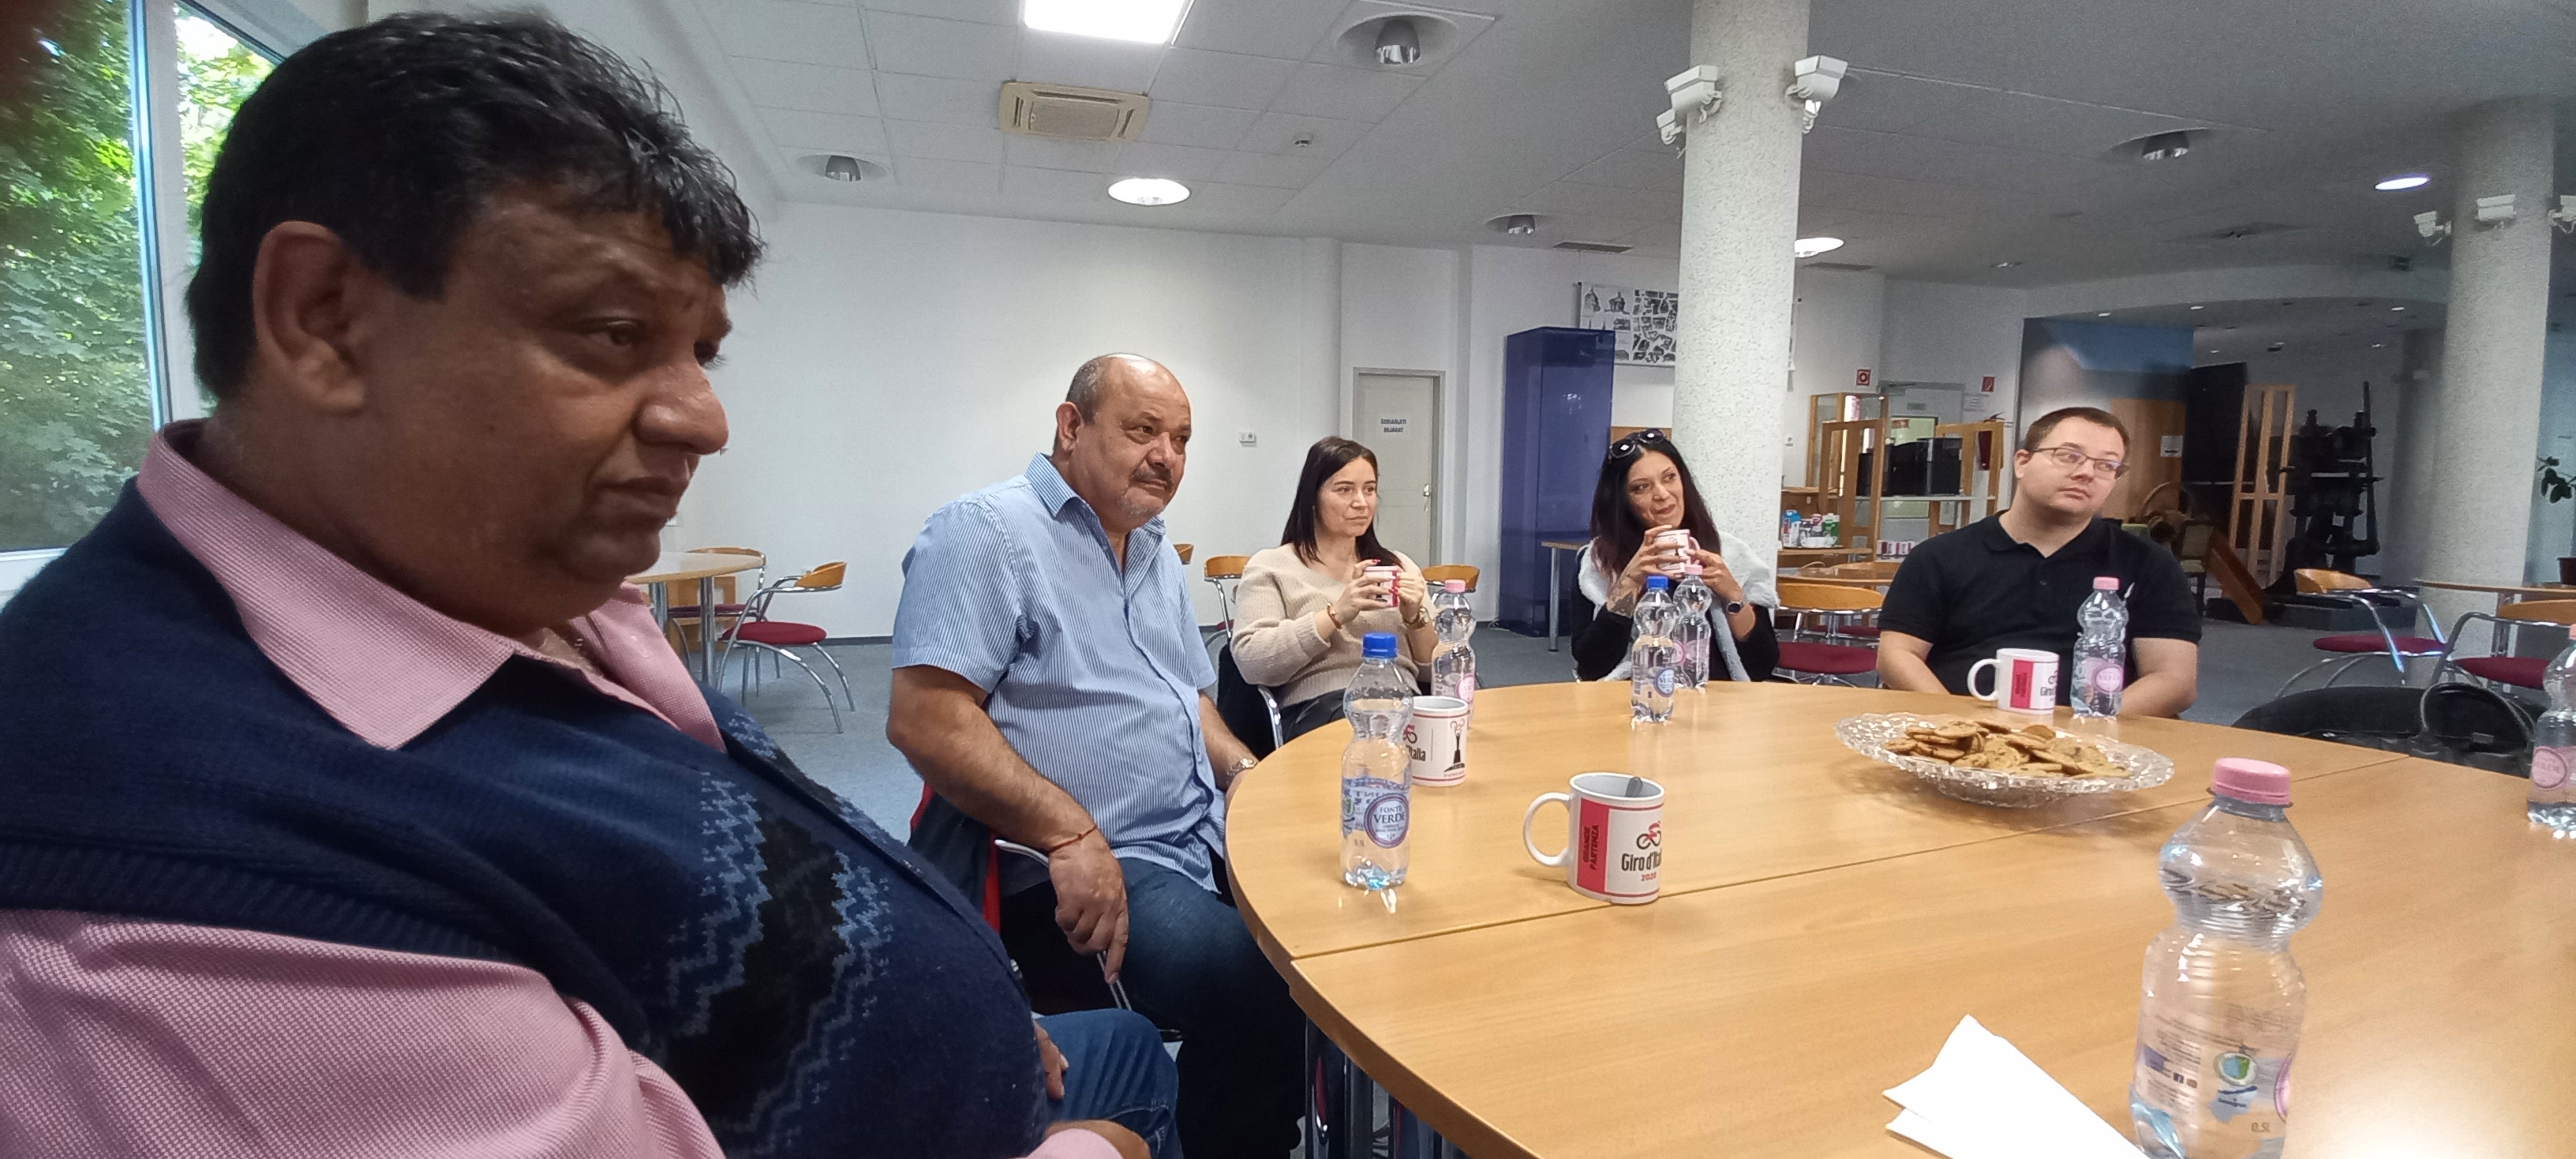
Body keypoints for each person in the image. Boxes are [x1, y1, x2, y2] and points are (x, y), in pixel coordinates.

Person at [0, 16, 1169, 1159]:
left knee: (1132, 1043)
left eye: (700, 352)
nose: (705, 419)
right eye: (611, 332)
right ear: (323, 318)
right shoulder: (162, 886)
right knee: (1149, 1076)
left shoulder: (517, 581)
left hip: (960, 1045)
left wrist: (961, 987)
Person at [889, 354, 1304, 1157]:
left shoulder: (1151, 550)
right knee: (1264, 984)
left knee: (1340, 927)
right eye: (1143, 430)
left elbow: (1189, 699)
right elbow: (927, 720)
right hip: (1089, 862)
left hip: (1202, 833)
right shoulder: (986, 531)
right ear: (1070, 426)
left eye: (1181, 439)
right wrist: (1070, 832)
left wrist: (1246, 774)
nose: (1166, 456)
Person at [1876, 406, 2202, 717]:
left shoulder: (2147, 564)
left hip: (2096, 736)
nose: (2086, 472)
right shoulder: (1939, 556)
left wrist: (2084, 729)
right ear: (2022, 462)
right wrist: (1955, 723)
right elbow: (1897, 654)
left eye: (2106, 465)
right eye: (2069, 456)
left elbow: (2173, 680)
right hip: (1958, 729)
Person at [1231, 437, 1433, 740]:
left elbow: (1437, 673)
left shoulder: (1399, 566)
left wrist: (1415, 617)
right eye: (1344, 490)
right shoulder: (1272, 567)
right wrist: (1337, 613)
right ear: (1313, 497)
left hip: (1403, 704)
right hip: (1321, 708)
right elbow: (1254, 664)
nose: (1361, 502)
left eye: (1369, 489)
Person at [1572, 429, 1781, 681]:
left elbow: (1762, 667)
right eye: (1641, 487)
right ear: (1623, 500)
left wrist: (1733, 595)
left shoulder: (1731, 553)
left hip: (1716, 698)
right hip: (1635, 697)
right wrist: (1630, 582)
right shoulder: (1598, 562)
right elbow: (1591, 668)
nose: (1662, 494)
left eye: (1669, 478)